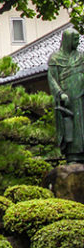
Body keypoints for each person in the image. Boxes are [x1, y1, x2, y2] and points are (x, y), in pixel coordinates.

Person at [48, 28, 84, 163]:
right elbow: (52, 79)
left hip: (81, 97)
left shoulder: (81, 56)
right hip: (67, 100)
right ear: (68, 40)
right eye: (75, 39)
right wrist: (60, 94)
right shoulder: (56, 58)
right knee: (71, 127)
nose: (77, 42)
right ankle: (72, 155)